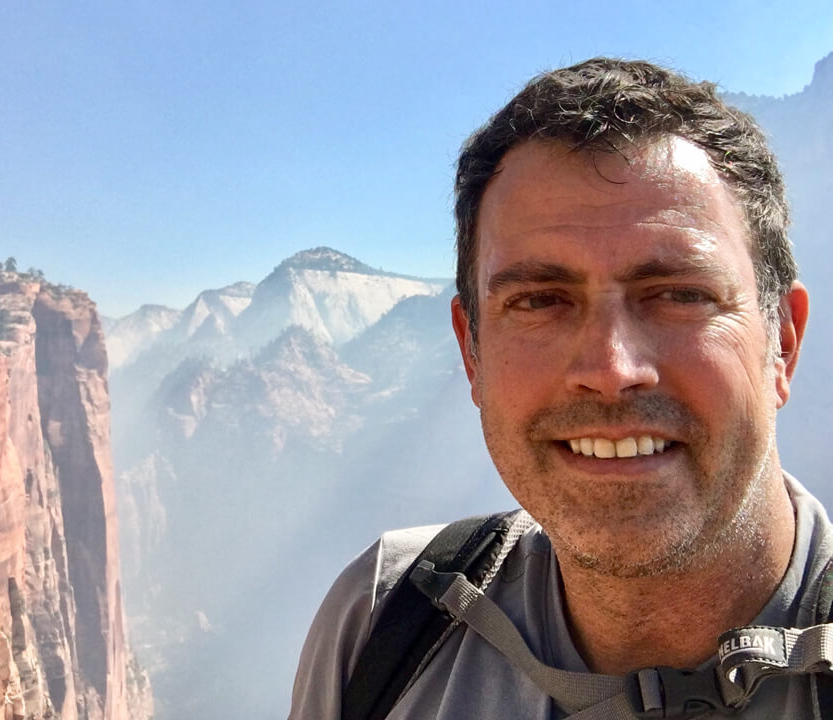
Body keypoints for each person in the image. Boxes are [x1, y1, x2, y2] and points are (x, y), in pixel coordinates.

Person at [289, 58, 832, 719]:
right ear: (472, 351)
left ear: (783, 341)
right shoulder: (385, 622)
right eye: (541, 299)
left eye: (679, 294)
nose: (609, 367)